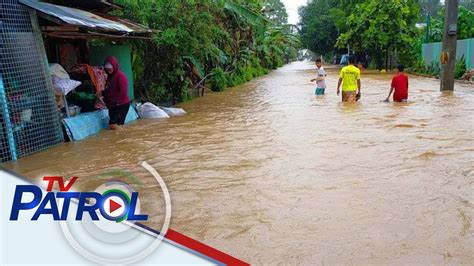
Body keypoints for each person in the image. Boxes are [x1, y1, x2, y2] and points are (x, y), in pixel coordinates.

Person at [102, 56, 130, 130]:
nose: (109, 71)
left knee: (113, 125)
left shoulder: (120, 76)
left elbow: (123, 91)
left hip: (121, 104)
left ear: (114, 67)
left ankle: (123, 137)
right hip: (113, 105)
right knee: (117, 125)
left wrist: (116, 102)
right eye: (107, 69)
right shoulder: (110, 77)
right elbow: (110, 89)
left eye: (110, 69)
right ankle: (122, 138)